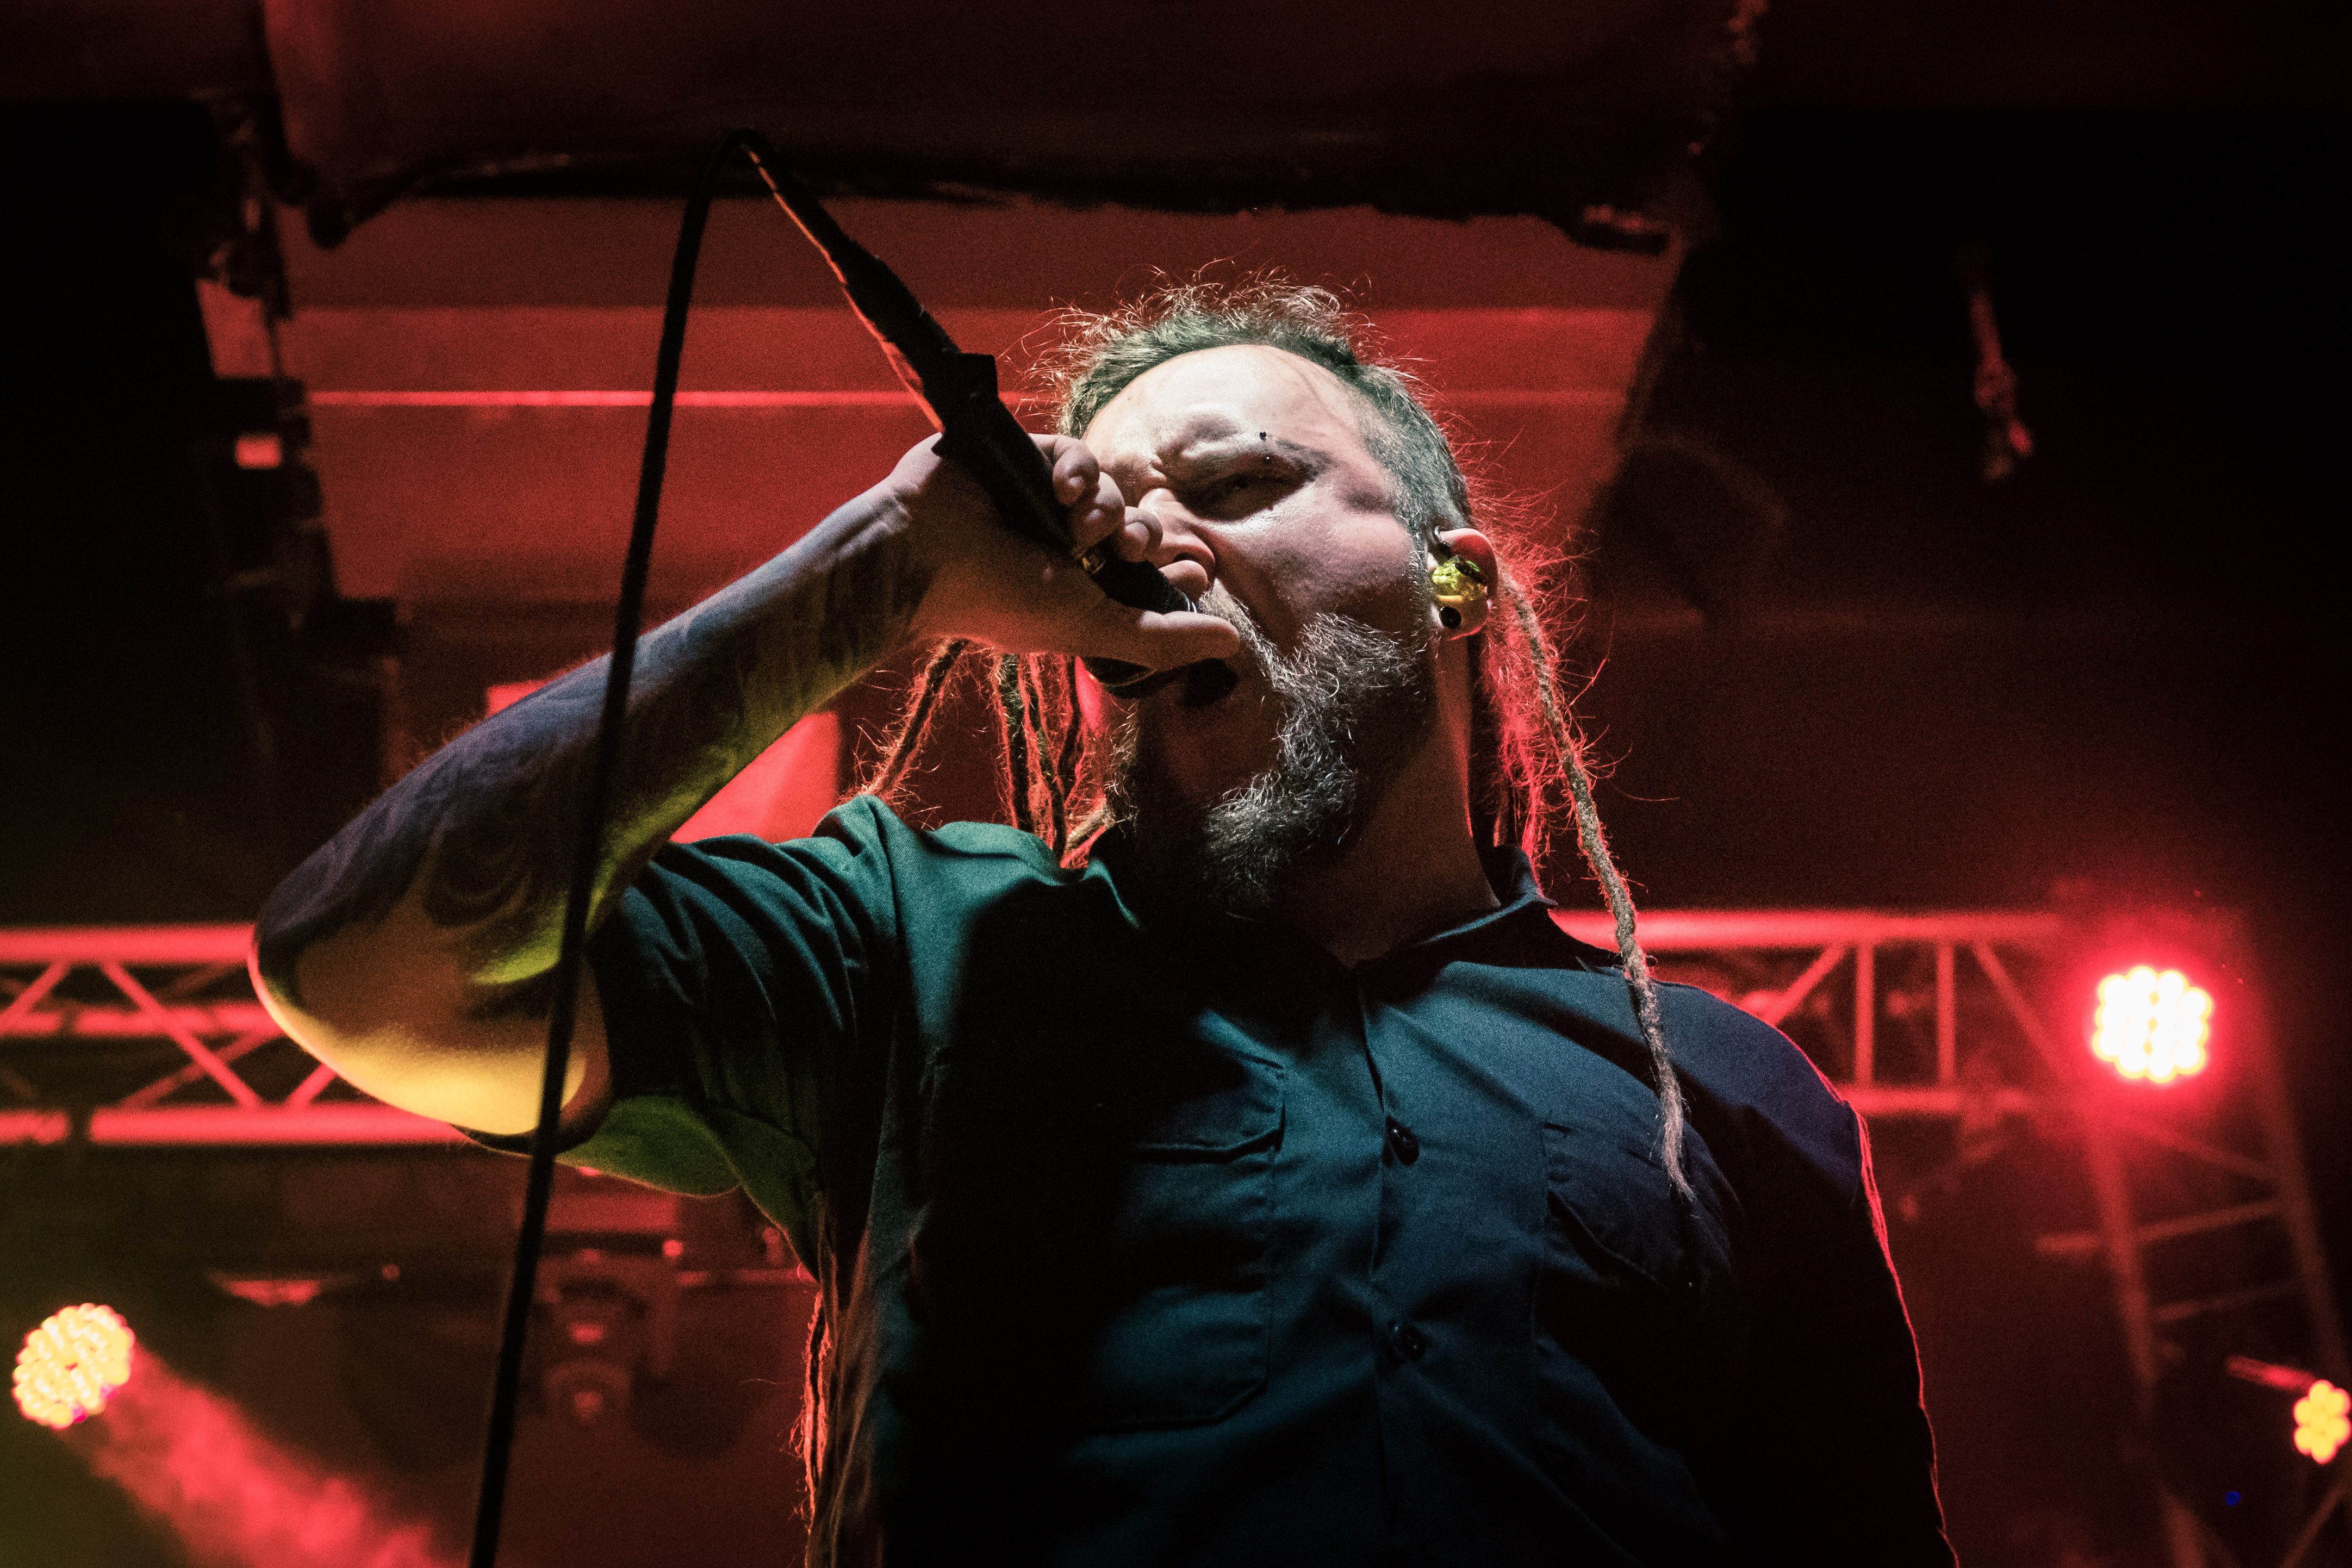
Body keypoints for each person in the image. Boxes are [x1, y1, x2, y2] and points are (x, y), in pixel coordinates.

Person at [251, 281, 1953, 1565]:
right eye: (1100, 515)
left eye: (1237, 478)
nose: (1149, 540)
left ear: (1455, 582)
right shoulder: (913, 940)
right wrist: (890, 559)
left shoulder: (1728, 1091)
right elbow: (368, 969)